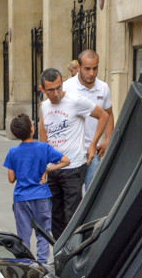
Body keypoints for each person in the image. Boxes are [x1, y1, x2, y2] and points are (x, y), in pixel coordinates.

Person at [38, 67, 112, 237]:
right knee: (55, 215)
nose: (56, 93)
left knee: (72, 215)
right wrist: (42, 163)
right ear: (42, 89)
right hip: (53, 169)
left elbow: (104, 115)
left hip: (73, 167)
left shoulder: (76, 101)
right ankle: (59, 252)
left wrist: (93, 144)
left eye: (59, 88)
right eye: (51, 90)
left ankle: (75, 251)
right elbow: (44, 135)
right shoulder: (45, 107)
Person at [3, 113, 68, 263]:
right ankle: (42, 263)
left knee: (23, 235)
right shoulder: (44, 148)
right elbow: (66, 161)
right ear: (32, 129)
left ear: (15, 134)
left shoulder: (13, 152)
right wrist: (47, 170)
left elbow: (11, 179)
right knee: (43, 232)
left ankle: (25, 263)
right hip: (41, 195)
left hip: (22, 198)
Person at [62, 50, 113, 190]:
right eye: (87, 69)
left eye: (95, 68)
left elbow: (108, 113)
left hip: (93, 152)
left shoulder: (103, 88)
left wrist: (108, 139)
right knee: (73, 198)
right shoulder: (66, 88)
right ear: (78, 67)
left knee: (93, 195)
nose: (92, 73)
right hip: (71, 154)